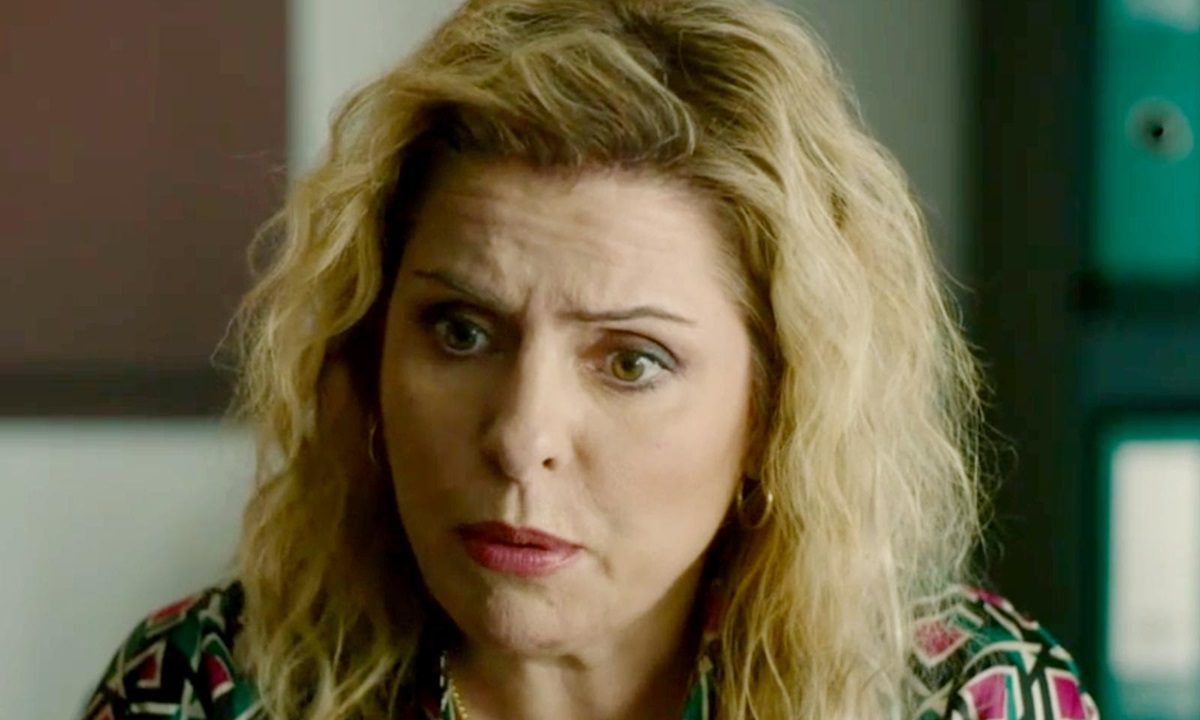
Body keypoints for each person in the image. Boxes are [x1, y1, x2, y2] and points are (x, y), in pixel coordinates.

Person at [83, 0, 1099, 718]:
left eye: (632, 362)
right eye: (461, 331)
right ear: (368, 351)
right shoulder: (209, 690)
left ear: (776, 410)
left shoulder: (963, 698)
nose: (521, 437)